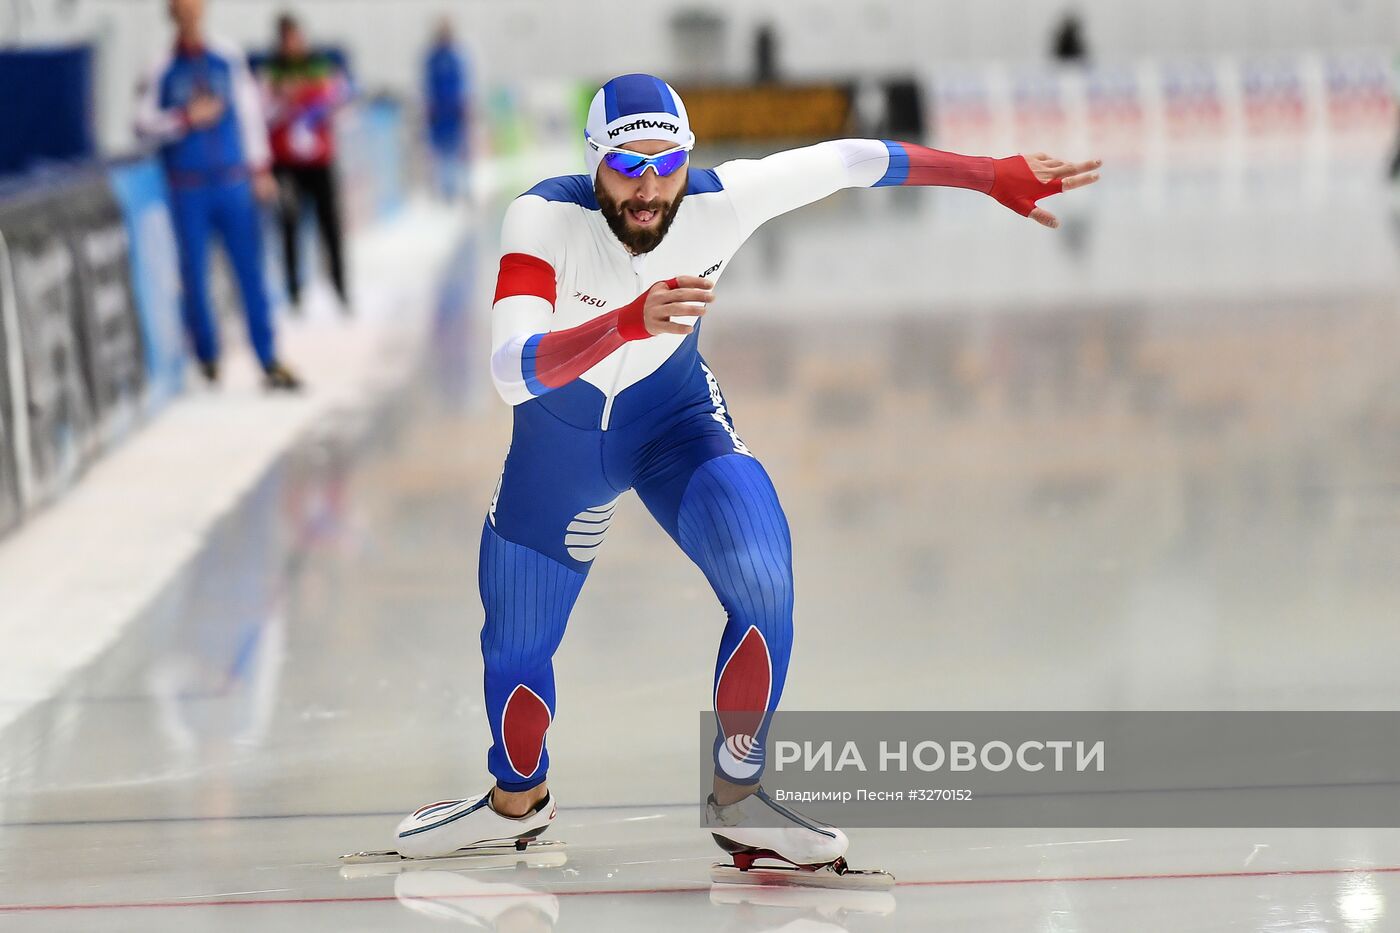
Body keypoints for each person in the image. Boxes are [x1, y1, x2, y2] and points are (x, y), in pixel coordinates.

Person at [393, 74, 1100, 879]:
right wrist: (628, 319)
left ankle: (740, 798)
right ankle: (517, 801)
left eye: (667, 165)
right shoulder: (544, 216)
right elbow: (511, 371)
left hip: (673, 428)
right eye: (628, 166)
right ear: (595, 162)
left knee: (763, 579)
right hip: (556, 452)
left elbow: (851, 159)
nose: (650, 188)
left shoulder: (721, 199)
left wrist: (990, 173)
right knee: (515, 650)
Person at [135, 0, 300, 390]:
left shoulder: (227, 57)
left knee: (250, 271)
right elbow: (141, 124)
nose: (189, 11)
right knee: (194, 274)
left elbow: (249, 115)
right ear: (171, 12)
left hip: (232, 182)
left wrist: (260, 168)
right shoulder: (159, 66)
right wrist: (183, 119)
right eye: (181, 6)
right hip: (188, 187)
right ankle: (207, 355)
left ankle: (267, 355)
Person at [261, 13, 353, 314]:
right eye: (286, 40)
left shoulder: (321, 66)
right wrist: (282, 99)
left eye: (295, 38)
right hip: (286, 165)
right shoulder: (270, 73)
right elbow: (260, 114)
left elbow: (343, 99)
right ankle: (293, 294)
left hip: (319, 163)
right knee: (289, 227)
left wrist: (327, 100)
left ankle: (341, 289)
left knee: (330, 226)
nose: (292, 45)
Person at [423, 18, 470, 202]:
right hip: (439, 113)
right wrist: (429, 108)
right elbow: (427, 85)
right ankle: (446, 192)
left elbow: (463, 83)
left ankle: (462, 189)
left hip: (454, 110)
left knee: (459, 150)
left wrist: (464, 105)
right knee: (441, 153)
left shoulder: (456, 57)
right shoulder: (432, 58)